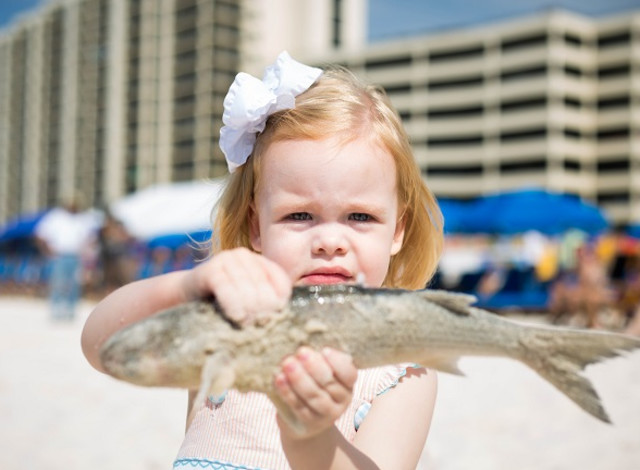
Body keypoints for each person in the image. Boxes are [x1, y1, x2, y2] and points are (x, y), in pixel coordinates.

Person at [81, 51, 443, 469]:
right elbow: (101, 346)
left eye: (359, 216)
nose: (329, 241)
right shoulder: (226, 324)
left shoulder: (402, 369)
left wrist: (309, 435)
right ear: (256, 226)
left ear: (397, 230)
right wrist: (182, 288)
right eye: (299, 215)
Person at [36, 198, 97, 321]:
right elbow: (40, 234)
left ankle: (70, 310)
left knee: (74, 284)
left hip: (76, 256)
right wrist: (47, 250)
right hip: (59, 256)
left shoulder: (82, 219)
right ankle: (56, 309)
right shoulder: (56, 217)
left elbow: (91, 238)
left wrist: (87, 252)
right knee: (59, 282)